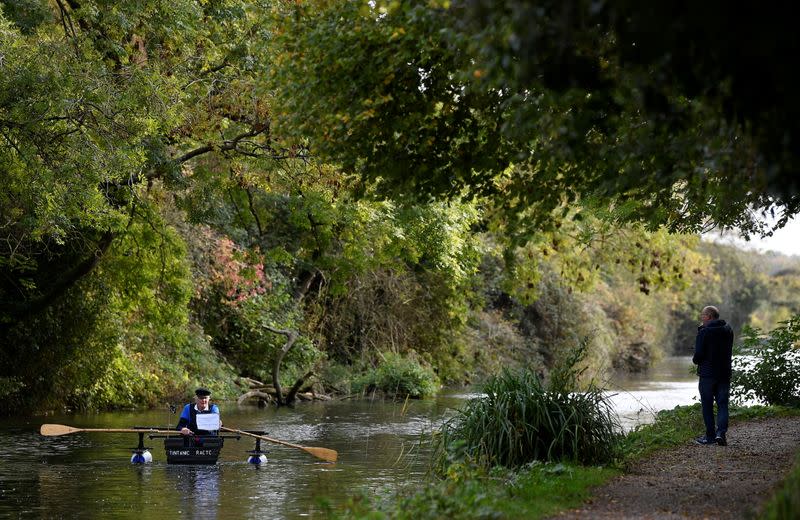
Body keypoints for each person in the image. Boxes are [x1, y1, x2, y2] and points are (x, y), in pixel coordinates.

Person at [692, 306, 734, 446]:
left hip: (707, 375)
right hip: (724, 373)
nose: (701, 318)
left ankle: (709, 437)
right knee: (722, 404)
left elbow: (698, 356)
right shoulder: (728, 330)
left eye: (702, 315)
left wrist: (700, 333)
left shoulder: (704, 332)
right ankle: (721, 433)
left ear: (709, 316)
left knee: (707, 405)